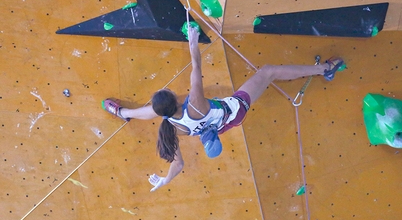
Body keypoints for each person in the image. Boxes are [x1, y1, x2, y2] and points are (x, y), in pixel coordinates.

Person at [102, 26, 344, 192]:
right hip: (236, 109)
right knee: (268, 71)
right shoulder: (194, 102)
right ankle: (324, 69)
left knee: (156, 111)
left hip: (219, 125)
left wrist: (165, 180)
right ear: (176, 99)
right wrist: (193, 40)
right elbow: (196, 67)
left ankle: (123, 113)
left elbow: (178, 164)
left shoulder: (171, 128)